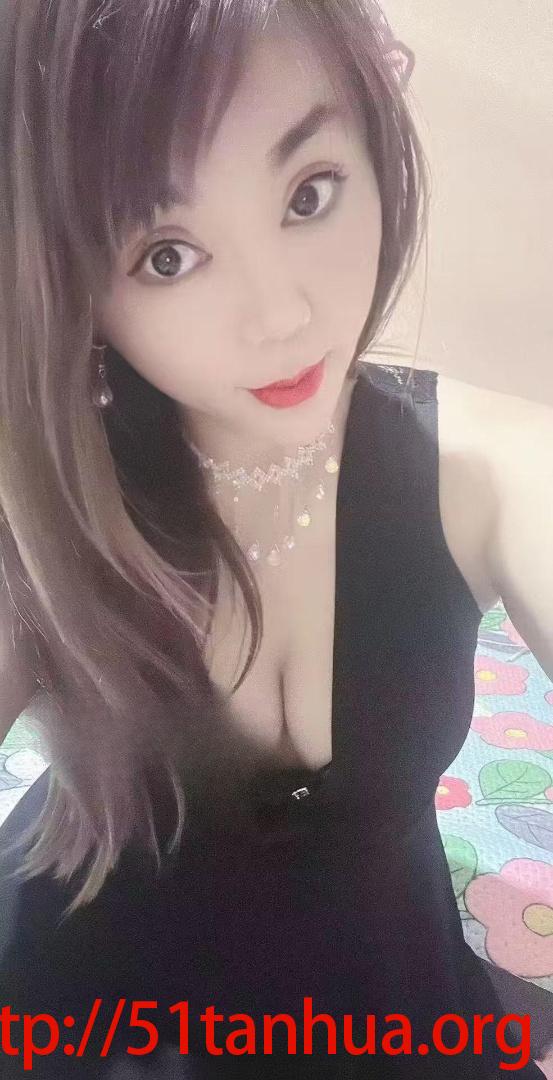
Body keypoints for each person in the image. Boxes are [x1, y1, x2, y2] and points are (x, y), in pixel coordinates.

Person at [0, 0, 550, 1076]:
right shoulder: (45, 496)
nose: (282, 315)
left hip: (382, 992)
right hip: (83, 999)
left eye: (308, 193)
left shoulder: (488, 469)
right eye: (166, 255)